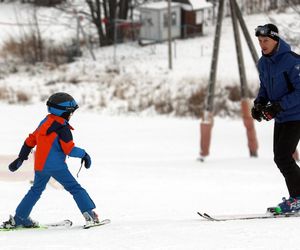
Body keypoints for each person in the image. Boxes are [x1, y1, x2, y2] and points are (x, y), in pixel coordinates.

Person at [2, 92, 99, 228]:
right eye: (70, 112)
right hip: (57, 167)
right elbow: (69, 150)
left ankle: (19, 218)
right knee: (75, 188)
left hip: (40, 166)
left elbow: (30, 140)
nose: (71, 115)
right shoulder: (63, 129)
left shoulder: (45, 122)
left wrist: (21, 157)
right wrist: (84, 154)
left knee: (35, 190)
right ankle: (90, 215)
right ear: (63, 112)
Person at [251, 23, 300, 213]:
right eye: (260, 41)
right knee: (280, 158)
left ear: (275, 40)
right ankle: (297, 198)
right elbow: (264, 87)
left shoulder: (291, 61)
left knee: (282, 157)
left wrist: (278, 106)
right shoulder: (263, 63)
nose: (262, 44)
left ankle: (297, 198)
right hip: (282, 117)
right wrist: (259, 103)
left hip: (296, 115)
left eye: (266, 41)